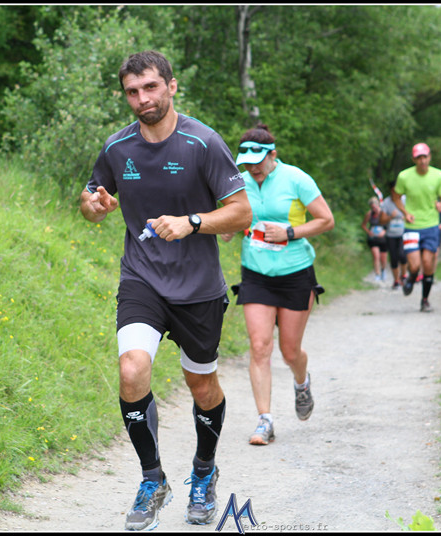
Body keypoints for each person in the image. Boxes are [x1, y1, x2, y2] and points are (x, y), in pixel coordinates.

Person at [79, 50, 252, 531]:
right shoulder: (117, 147)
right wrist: (95, 206)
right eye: (132, 92)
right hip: (142, 278)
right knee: (132, 369)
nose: (143, 99)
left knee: (202, 385)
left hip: (198, 287)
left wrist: (192, 221)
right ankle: (152, 479)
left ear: (171, 86)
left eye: (151, 87)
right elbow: (90, 201)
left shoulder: (203, 143)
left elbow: (241, 212)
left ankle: (204, 471)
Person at [220, 124, 334, 446]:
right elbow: (230, 222)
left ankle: (301, 382)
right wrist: (227, 227)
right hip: (256, 272)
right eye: (247, 163)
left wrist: (289, 232)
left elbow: (326, 220)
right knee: (259, 346)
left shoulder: (296, 179)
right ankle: (265, 420)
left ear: (273, 155)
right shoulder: (239, 183)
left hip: (295, 272)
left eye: (258, 162)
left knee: (289, 350)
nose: (253, 169)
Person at [391, 142, 441, 312]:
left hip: (431, 225)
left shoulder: (438, 175)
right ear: (414, 159)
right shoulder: (404, 176)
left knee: (428, 263)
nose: (422, 161)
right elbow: (396, 197)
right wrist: (405, 212)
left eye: (425, 157)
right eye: (419, 158)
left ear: (429, 157)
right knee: (415, 265)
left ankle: (425, 300)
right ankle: (411, 278)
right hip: (412, 226)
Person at [378, 180, 408, 289]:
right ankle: (396, 281)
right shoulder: (386, 203)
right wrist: (391, 216)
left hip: (403, 233)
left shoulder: (406, 200)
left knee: (403, 255)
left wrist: (406, 216)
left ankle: (404, 276)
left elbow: (413, 214)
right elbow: (381, 221)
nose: (395, 192)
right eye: (393, 190)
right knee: (394, 258)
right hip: (391, 235)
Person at [361, 197, 388, 282]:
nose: (374, 209)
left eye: (375, 207)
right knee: (376, 256)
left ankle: (383, 270)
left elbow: (388, 225)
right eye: (372, 207)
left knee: (383, 258)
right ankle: (377, 274)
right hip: (373, 239)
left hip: (383, 239)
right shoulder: (369, 214)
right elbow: (363, 225)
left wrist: (384, 232)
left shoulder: (383, 213)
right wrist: (369, 232)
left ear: (378, 205)